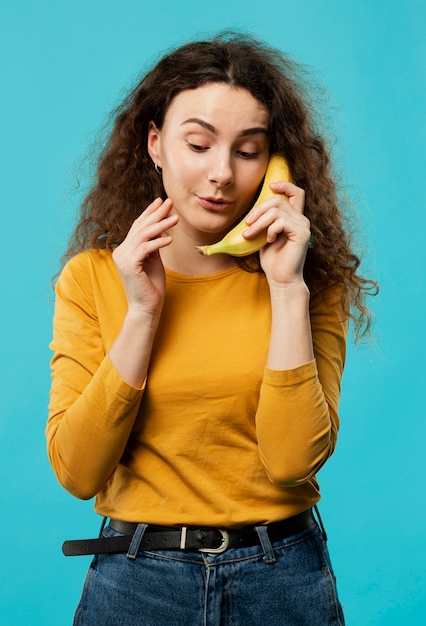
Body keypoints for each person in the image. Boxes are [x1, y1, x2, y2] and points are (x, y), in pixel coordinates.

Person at [47, 31, 376, 625]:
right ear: (155, 144)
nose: (221, 173)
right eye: (198, 143)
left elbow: (292, 460)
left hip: (282, 578)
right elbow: (77, 470)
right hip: (136, 580)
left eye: (248, 150)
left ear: (276, 163)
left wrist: (285, 289)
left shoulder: (305, 284)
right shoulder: (92, 279)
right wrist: (143, 313)